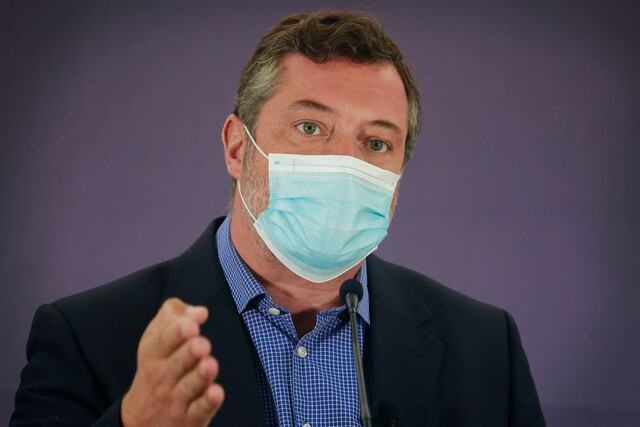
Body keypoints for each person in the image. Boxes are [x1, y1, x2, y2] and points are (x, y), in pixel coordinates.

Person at [11, 10, 545, 427]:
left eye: (377, 142)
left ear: (400, 175)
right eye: (310, 128)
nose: (345, 163)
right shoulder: (87, 336)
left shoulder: (484, 348)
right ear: (237, 148)